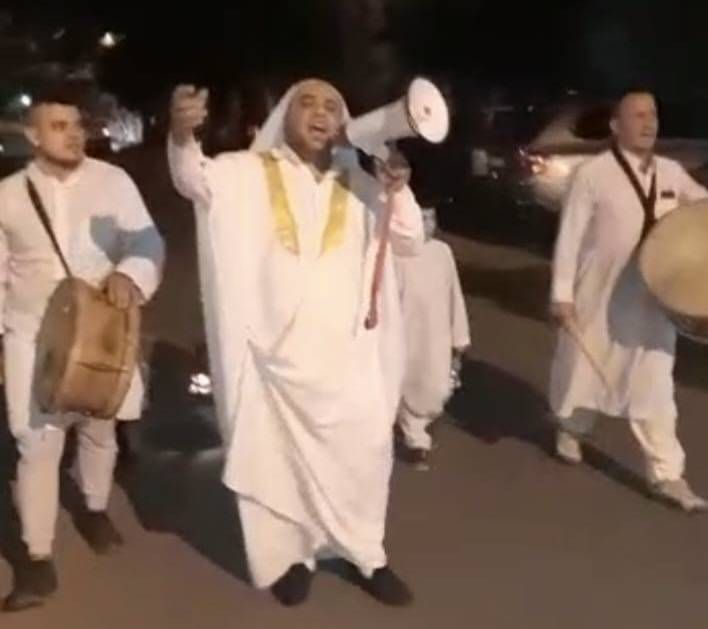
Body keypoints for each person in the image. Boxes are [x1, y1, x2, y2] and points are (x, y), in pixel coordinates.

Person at [168, 79, 423, 606]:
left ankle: (366, 554)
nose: (320, 113)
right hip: (275, 359)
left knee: (363, 458)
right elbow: (192, 177)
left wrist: (398, 188)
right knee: (280, 462)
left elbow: (409, 239)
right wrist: (181, 134)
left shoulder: (364, 180)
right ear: (283, 114)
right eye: (307, 102)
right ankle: (293, 556)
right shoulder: (245, 172)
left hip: (351, 359)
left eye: (332, 105)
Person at [0, 87, 165, 612]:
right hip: (31, 334)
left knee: (99, 428)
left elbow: (147, 241)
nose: (73, 135)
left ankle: (93, 508)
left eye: (76, 125)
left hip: (100, 329)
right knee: (37, 444)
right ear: (33, 135)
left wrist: (130, 274)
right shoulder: (7, 195)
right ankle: (37, 558)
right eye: (58, 126)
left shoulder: (113, 182)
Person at [549, 89, 707, 512]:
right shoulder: (592, 174)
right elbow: (569, 237)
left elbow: (701, 208)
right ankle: (571, 427)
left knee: (654, 384)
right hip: (597, 295)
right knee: (583, 369)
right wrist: (561, 293)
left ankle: (667, 474)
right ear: (616, 126)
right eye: (637, 115)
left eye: (652, 114)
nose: (648, 122)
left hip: (651, 300)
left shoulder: (672, 172)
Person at [394, 206, 469, 470]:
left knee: (435, 387)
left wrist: (459, 339)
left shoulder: (442, 253)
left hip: (436, 336)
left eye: (431, 218)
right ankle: (416, 441)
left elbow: (453, 294)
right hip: (405, 333)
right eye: (421, 217)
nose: (426, 224)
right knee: (404, 383)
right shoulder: (396, 253)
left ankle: (415, 427)